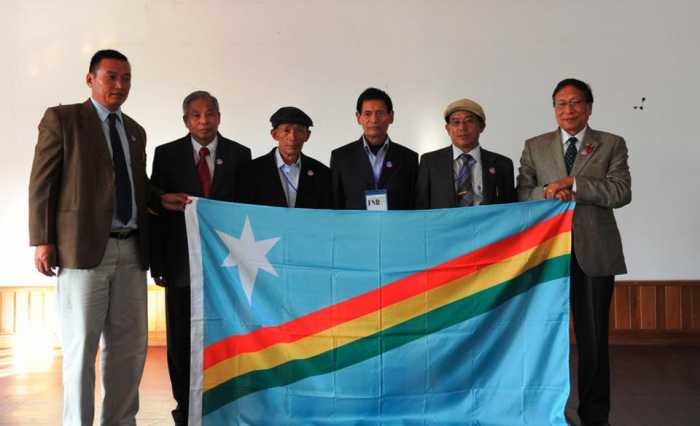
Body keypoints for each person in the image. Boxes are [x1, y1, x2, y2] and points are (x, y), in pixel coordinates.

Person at [28, 49, 189, 425]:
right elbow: (42, 182)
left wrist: (158, 198)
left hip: (133, 250)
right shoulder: (63, 119)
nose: (120, 85)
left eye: (126, 78)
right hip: (81, 252)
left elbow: (133, 183)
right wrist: (42, 239)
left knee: (129, 350)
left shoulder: (134, 130)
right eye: (112, 76)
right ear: (90, 79)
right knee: (81, 348)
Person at [517, 78, 631, 426]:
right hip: (546, 256)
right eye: (561, 103)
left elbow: (620, 192)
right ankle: (544, 411)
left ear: (589, 107)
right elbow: (522, 192)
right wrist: (548, 192)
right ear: (554, 108)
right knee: (541, 335)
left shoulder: (610, 144)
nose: (568, 110)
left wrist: (576, 185)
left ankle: (594, 415)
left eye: (575, 102)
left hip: (594, 254)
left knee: (593, 340)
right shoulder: (535, 146)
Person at [149, 90, 251, 425]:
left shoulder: (239, 155)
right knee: (181, 339)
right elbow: (157, 210)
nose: (204, 121)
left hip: (228, 267)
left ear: (219, 116)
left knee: (228, 334)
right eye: (196, 115)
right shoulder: (167, 155)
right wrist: (158, 263)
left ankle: (226, 402)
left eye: (210, 114)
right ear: (185, 120)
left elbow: (247, 215)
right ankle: (184, 407)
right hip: (180, 264)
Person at [415, 98, 516, 208]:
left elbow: (509, 209)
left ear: (481, 127)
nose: (462, 128)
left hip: (488, 225)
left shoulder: (502, 164)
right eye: (456, 122)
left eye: (469, 121)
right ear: (448, 129)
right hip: (445, 225)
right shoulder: (430, 162)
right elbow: (421, 207)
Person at [330, 87, 418, 210]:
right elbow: (335, 205)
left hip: (396, 228)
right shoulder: (340, 158)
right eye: (367, 114)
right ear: (358, 117)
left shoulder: (409, 158)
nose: (374, 120)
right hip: (355, 228)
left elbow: (413, 205)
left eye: (380, 113)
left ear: (391, 116)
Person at [240, 106, 331, 208]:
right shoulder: (252, 171)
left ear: (307, 135)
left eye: (299, 131)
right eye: (286, 131)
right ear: (274, 134)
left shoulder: (323, 174)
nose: (292, 137)